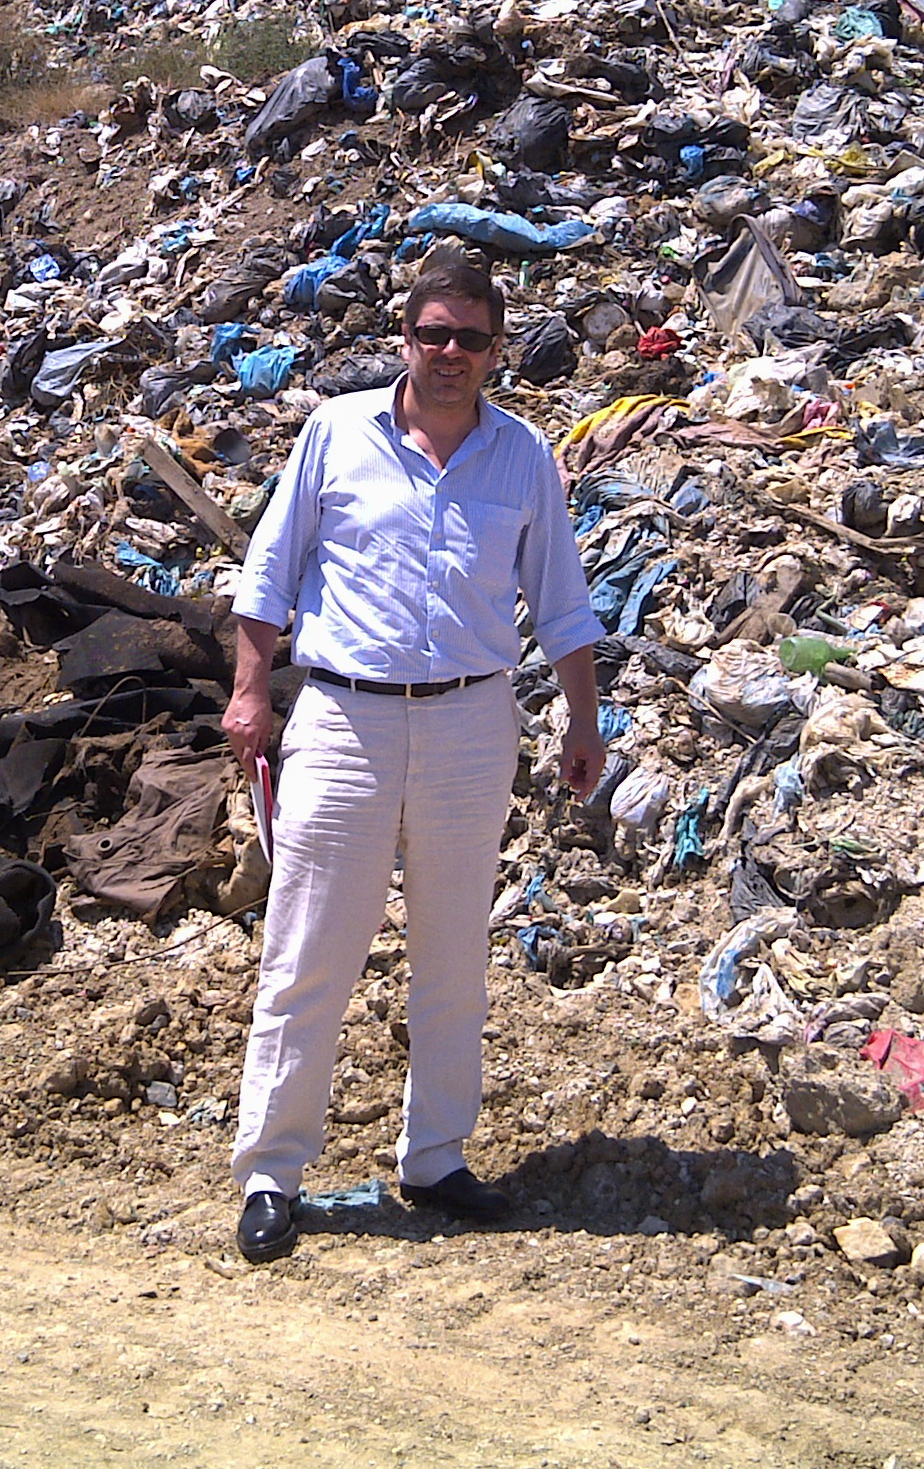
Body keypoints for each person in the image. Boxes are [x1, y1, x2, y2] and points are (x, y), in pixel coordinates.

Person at [220, 248, 607, 1264]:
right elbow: (271, 567)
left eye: (469, 339)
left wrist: (581, 719)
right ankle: (272, 1172)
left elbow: (561, 601)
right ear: (405, 337)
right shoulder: (336, 433)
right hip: (345, 720)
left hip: (471, 725)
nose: (449, 353)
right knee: (310, 952)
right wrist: (250, 689)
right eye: (433, 333)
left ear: (494, 350)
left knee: (453, 956)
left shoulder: (523, 457)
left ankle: (435, 1158)